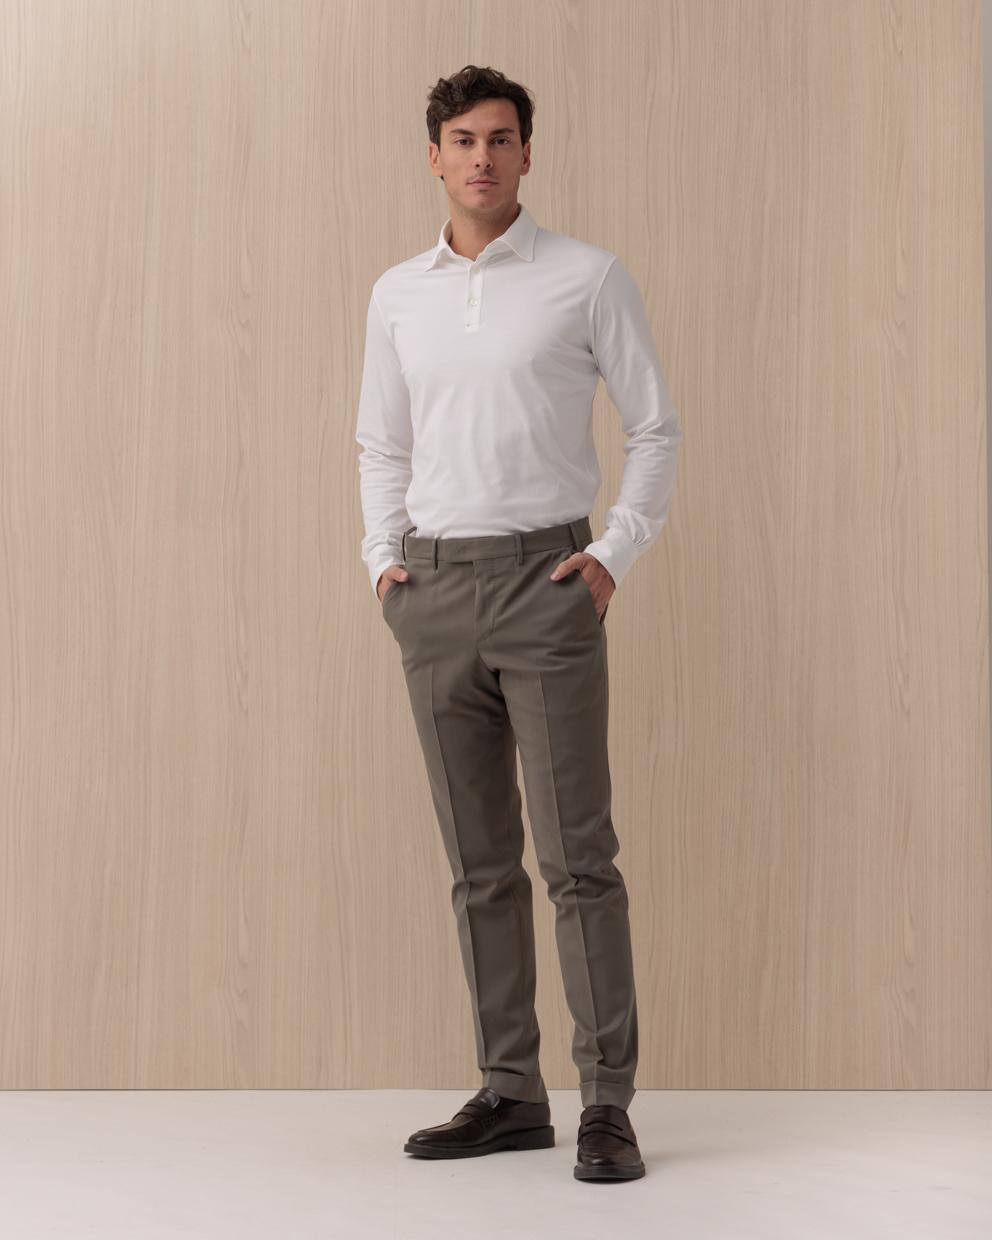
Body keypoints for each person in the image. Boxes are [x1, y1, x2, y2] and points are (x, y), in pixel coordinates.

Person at [355, 64, 682, 1182]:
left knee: (578, 858)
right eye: (462, 139)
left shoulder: (586, 277)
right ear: (433, 157)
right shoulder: (398, 294)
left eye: (501, 138)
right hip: (434, 593)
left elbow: (654, 426)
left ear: (527, 155)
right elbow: (382, 442)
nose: (482, 157)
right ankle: (509, 1091)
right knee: (478, 864)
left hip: (548, 586)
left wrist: (612, 554)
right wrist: (383, 565)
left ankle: (606, 1104)